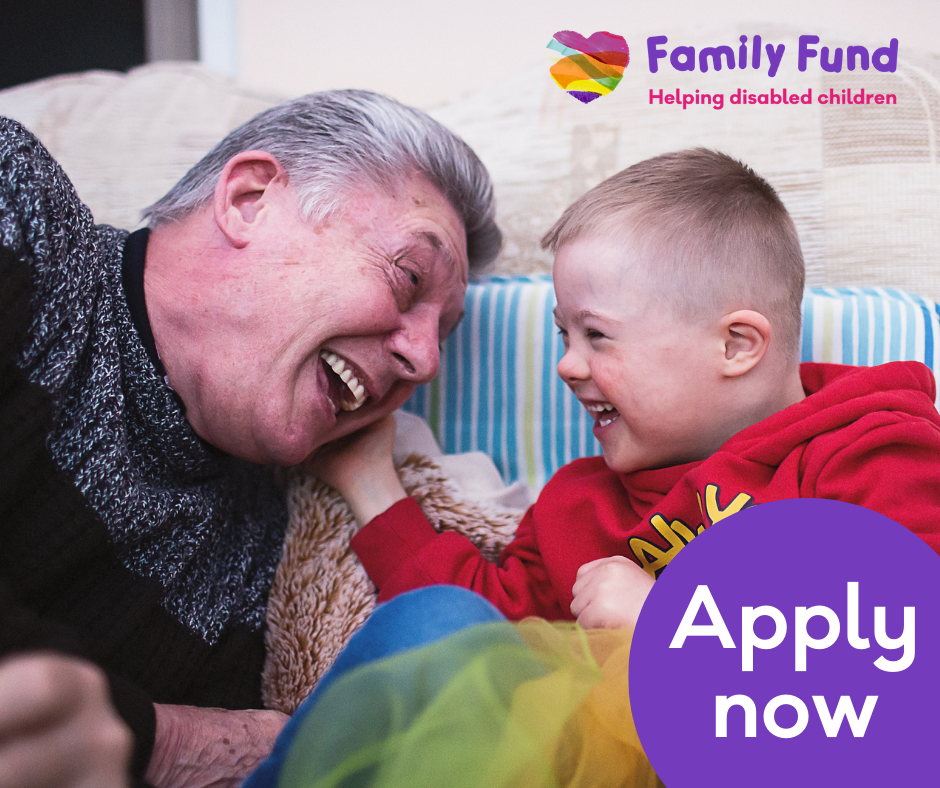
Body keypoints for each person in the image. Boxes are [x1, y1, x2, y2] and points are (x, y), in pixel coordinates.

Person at [0, 88, 500, 787]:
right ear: (249, 199)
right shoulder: (16, 206)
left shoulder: (267, 553)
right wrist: (165, 740)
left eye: (441, 336)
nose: (426, 360)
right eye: (409, 276)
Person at [317, 148, 940, 630]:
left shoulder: (869, 452)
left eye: (598, 336)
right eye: (564, 335)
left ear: (736, 346)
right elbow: (471, 627)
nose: (566, 366)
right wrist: (370, 484)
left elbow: (908, 636)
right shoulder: (578, 508)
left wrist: (673, 623)